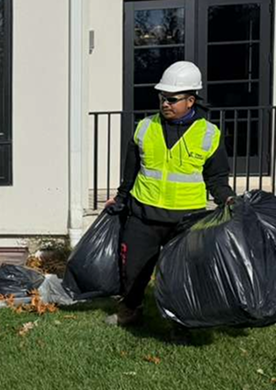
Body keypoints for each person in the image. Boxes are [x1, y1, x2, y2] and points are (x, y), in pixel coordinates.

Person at [104, 61, 235, 326]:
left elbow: (217, 178)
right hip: (144, 215)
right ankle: (131, 309)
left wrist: (227, 200)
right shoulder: (144, 128)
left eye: (172, 99)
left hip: (186, 221)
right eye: (162, 97)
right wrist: (120, 197)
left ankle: (182, 321)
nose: (165, 103)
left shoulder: (209, 134)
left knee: (183, 276)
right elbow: (130, 171)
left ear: (190, 100)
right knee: (133, 271)